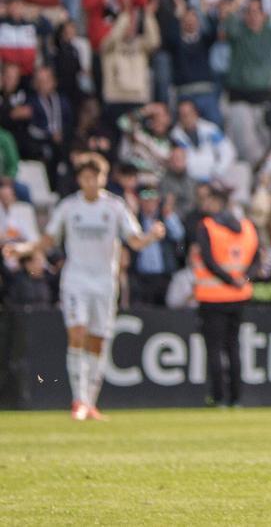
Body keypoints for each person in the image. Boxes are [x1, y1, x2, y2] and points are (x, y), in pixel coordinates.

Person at [4, 153, 166, 421]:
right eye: (86, 177)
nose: (91, 182)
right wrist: (22, 249)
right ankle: (77, 400)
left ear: (103, 178)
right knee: (77, 333)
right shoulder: (69, 207)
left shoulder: (115, 207)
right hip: (76, 280)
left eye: (96, 177)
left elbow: (134, 241)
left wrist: (152, 236)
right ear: (80, 179)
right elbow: (47, 240)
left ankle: (90, 401)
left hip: (105, 281)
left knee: (98, 341)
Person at [191, 185, 259, 407]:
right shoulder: (248, 227)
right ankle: (236, 397)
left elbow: (209, 261)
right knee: (233, 347)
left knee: (214, 349)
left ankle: (218, 396)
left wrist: (229, 280)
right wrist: (243, 279)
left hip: (212, 297)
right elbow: (257, 259)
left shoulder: (208, 227)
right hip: (239, 296)